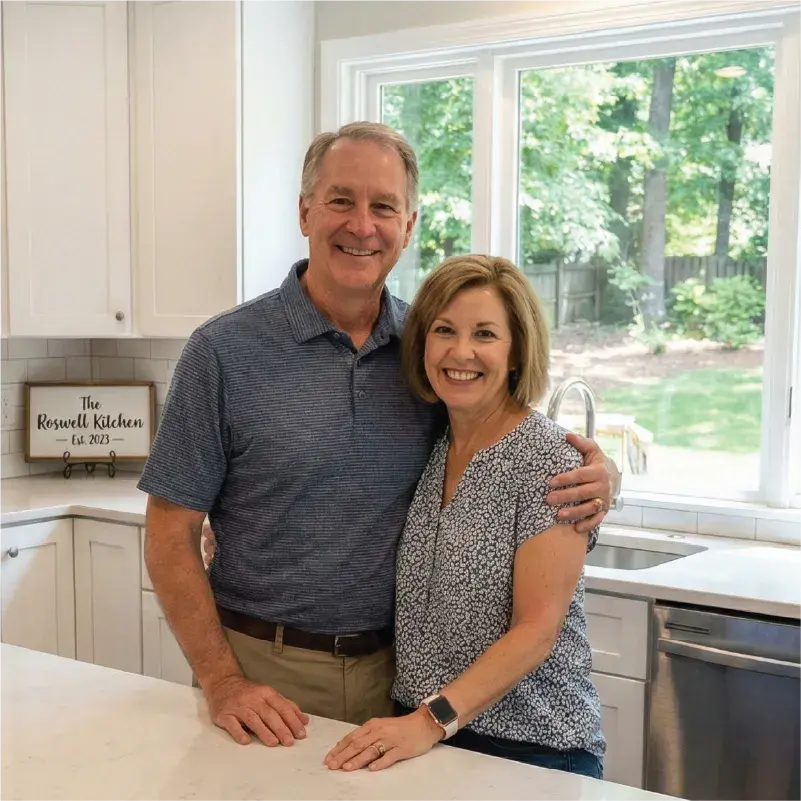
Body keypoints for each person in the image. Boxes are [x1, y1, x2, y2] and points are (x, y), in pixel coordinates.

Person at [138, 121, 618, 751]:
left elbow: (510, 439)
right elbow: (169, 535)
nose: (361, 225)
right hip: (262, 674)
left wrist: (603, 472)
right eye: (341, 200)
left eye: (383, 207)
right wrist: (222, 681)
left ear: (408, 225)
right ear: (306, 211)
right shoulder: (223, 351)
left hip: (399, 686)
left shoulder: (428, 350)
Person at [323, 255, 604, 778]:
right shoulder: (435, 441)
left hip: (533, 749)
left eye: (485, 334)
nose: (461, 352)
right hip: (430, 739)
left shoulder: (548, 460)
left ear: (517, 351)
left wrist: (429, 721)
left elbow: (537, 631)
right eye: (444, 330)